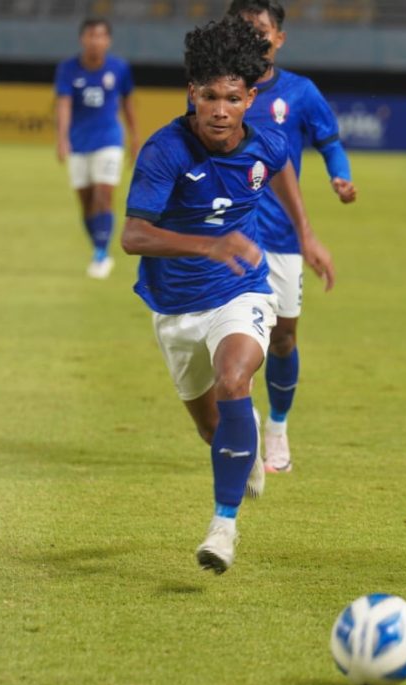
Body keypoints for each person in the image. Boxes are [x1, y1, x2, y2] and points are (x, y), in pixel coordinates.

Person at [121, 16, 335, 574]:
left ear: (250, 98)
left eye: (232, 97)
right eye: (209, 96)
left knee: (234, 379)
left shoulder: (267, 141)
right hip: (173, 309)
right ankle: (245, 441)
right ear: (191, 93)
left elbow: (280, 165)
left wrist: (306, 234)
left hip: (240, 292)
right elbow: (133, 236)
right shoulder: (165, 150)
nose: (219, 109)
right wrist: (206, 246)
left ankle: (222, 528)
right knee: (211, 428)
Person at [223, 0, 357, 475]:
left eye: (261, 29)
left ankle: (277, 427)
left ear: (279, 38)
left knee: (282, 339)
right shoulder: (221, 89)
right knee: (227, 338)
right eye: (243, 28)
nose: (253, 36)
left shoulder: (300, 93)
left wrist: (339, 176)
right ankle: (243, 414)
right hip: (227, 235)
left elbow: (329, 141)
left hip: (280, 238)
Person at [55, 18, 139, 279]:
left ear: (108, 40)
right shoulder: (68, 69)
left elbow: (128, 103)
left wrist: (135, 137)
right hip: (79, 143)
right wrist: (62, 137)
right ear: (82, 39)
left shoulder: (119, 68)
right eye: (91, 35)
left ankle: (101, 254)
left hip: (109, 141)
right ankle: (98, 246)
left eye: (100, 36)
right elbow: (64, 103)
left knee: (104, 195)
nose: (95, 41)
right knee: (86, 202)